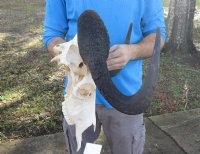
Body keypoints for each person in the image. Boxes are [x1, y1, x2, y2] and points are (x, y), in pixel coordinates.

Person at [43, 0, 166, 154]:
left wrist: (132, 51)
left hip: (126, 98)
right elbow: (52, 36)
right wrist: (72, 54)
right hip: (80, 96)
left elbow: (157, 37)